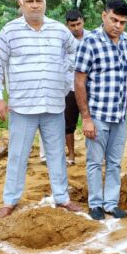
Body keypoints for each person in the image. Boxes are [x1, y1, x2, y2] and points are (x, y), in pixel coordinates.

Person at [0, 0, 81, 218]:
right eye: (29, 1)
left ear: (45, 3)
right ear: (20, 4)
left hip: (53, 104)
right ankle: (10, 200)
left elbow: (76, 52)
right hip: (22, 106)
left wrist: (64, 73)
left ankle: (62, 197)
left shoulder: (60, 30)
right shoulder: (9, 31)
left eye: (39, 0)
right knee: (18, 155)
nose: (35, 5)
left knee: (56, 153)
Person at [74, 0, 127, 220]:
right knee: (94, 162)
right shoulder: (89, 42)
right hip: (98, 114)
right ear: (104, 16)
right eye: (114, 20)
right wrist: (86, 118)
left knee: (114, 162)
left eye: (122, 22)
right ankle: (95, 204)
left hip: (119, 115)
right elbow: (80, 81)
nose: (118, 26)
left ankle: (111, 203)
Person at [39, 9, 89, 165]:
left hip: (90, 88)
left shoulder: (93, 38)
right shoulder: (60, 41)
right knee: (69, 124)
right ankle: (71, 156)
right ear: (67, 25)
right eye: (72, 25)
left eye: (78, 24)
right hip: (69, 88)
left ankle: (95, 156)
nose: (75, 28)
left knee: (93, 122)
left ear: (83, 21)